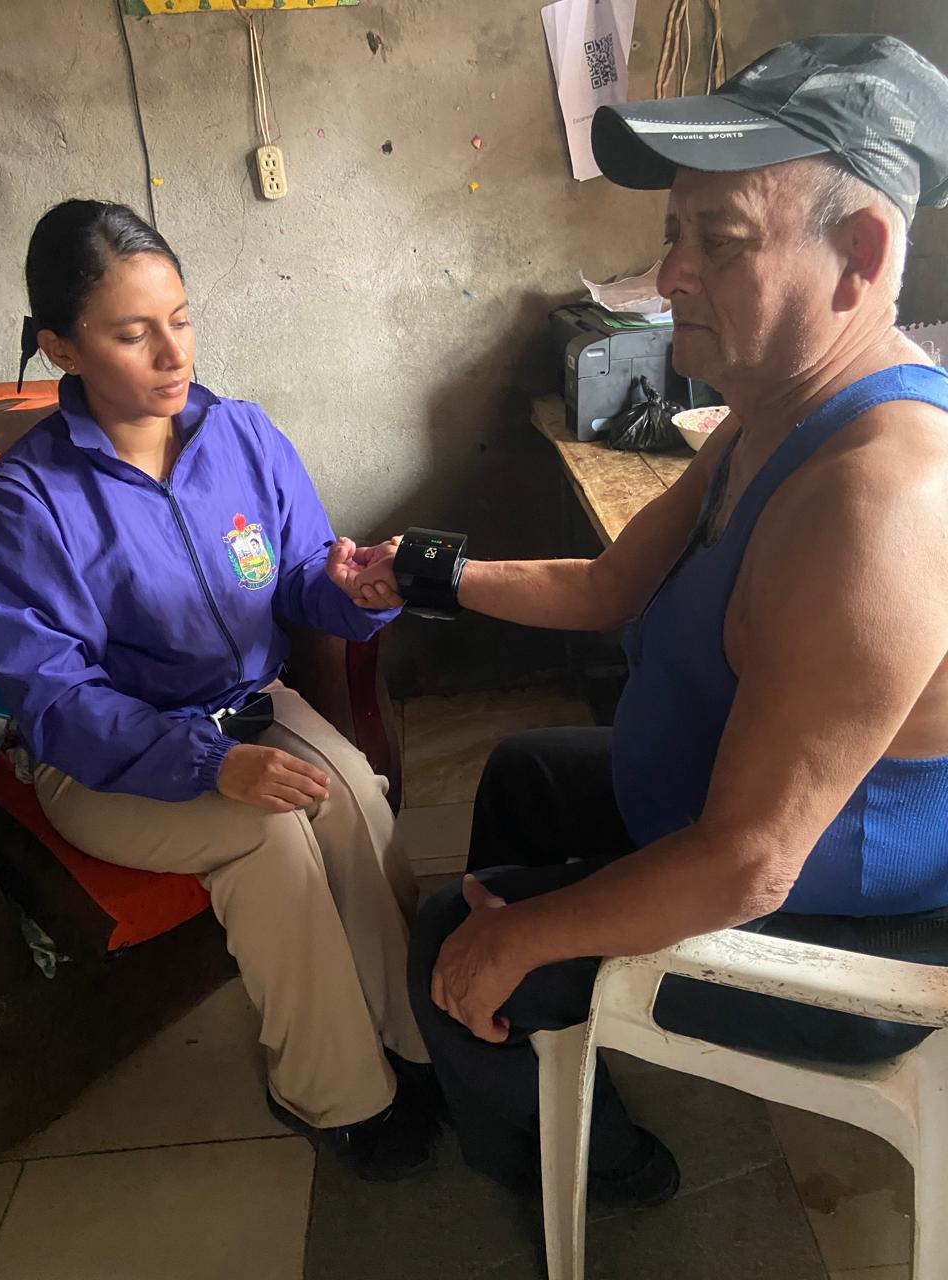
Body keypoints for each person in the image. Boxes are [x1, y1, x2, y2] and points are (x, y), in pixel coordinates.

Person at [341, 34, 948, 1200]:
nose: (669, 276)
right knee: (523, 772)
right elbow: (607, 586)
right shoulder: (768, 413)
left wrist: (525, 934)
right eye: (675, 231)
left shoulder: (879, 502)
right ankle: (536, 1045)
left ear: (861, 254)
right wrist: (422, 571)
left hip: (835, 939)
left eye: (719, 241)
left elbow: (751, 861)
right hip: (722, 828)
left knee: (454, 939)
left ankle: (607, 1169)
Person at [0, 200, 437, 1181]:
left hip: (249, 706)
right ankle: (331, 1091)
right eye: (131, 333)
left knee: (352, 798)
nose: (173, 353)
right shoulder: (29, 500)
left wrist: (355, 590)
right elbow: (55, 698)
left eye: (181, 319)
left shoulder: (240, 434)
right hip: (104, 759)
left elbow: (302, 573)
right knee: (268, 838)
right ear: (61, 346)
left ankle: (412, 1032)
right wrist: (211, 764)